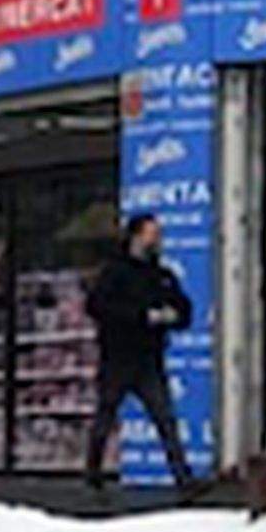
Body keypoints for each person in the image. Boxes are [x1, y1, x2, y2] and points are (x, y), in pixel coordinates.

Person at [84, 212, 198, 494]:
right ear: (135, 236)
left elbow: (185, 310)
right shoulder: (115, 271)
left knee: (165, 418)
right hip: (118, 357)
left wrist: (170, 316)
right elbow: (97, 306)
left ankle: (183, 478)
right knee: (106, 414)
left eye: (158, 234)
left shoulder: (162, 276)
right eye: (151, 233)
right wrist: (139, 316)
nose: (157, 239)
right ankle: (93, 472)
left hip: (149, 358)